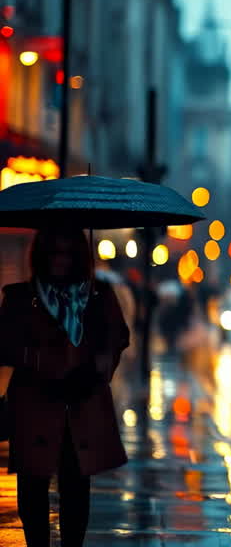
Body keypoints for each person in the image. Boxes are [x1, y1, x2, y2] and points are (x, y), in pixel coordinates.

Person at [0, 227, 130, 547]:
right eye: (53, 253)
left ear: (79, 257)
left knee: (76, 485)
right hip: (35, 403)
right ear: (41, 256)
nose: (60, 260)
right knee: (33, 484)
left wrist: (100, 365)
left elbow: (118, 338)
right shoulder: (21, 296)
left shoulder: (99, 295)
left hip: (82, 402)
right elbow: (3, 344)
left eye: (68, 253)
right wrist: (38, 359)